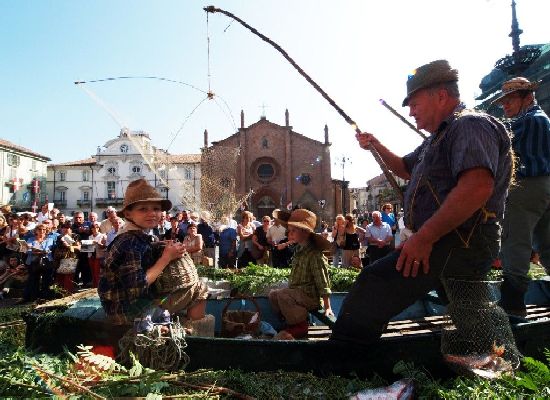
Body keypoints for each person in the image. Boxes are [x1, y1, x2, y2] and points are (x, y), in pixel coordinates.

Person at [331, 60, 515, 348]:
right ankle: (485, 350)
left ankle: (344, 361)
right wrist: (375, 145)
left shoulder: (470, 126)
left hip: (460, 239)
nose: (410, 111)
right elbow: (404, 168)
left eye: (414, 103)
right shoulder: (436, 139)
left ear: (440, 96)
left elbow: (477, 187)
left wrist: (424, 238)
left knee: (374, 283)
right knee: (466, 307)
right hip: (450, 239)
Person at [98, 179, 207, 326]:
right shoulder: (129, 242)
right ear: (128, 214)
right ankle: (194, 335)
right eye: (143, 209)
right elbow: (137, 287)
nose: (152, 213)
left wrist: (157, 245)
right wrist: (166, 257)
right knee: (200, 289)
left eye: (156, 208)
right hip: (126, 311)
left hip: (125, 305)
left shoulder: (135, 236)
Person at [492, 77, 550, 316]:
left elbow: (498, 139)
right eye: (503, 101)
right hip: (543, 187)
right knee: (547, 244)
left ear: (528, 97)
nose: (505, 106)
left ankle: (513, 305)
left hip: (527, 187)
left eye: (511, 99)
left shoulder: (529, 120)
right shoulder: (541, 119)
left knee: (515, 241)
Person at [268, 209, 333, 340]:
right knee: (273, 295)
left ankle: (300, 326)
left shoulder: (314, 255)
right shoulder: (298, 249)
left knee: (283, 295)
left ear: (305, 232)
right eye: (289, 230)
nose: (289, 234)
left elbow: (322, 281)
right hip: (297, 292)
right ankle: (291, 321)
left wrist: (327, 307)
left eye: (293, 231)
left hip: (310, 296)